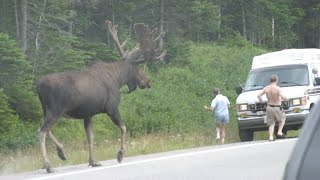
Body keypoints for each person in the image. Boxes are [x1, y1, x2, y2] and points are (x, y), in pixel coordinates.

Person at [257, 74, 288, 141]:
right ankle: (279, 132)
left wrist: (262, 102)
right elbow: (283, 97)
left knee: (271, 123)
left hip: (269, 107)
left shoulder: (266, 88)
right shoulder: (278, 89)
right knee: (282, 118)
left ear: (270, 81)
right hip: (277, 107)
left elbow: (259, 95)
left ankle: (271, 137)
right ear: (276, 80)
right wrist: (285, 99)